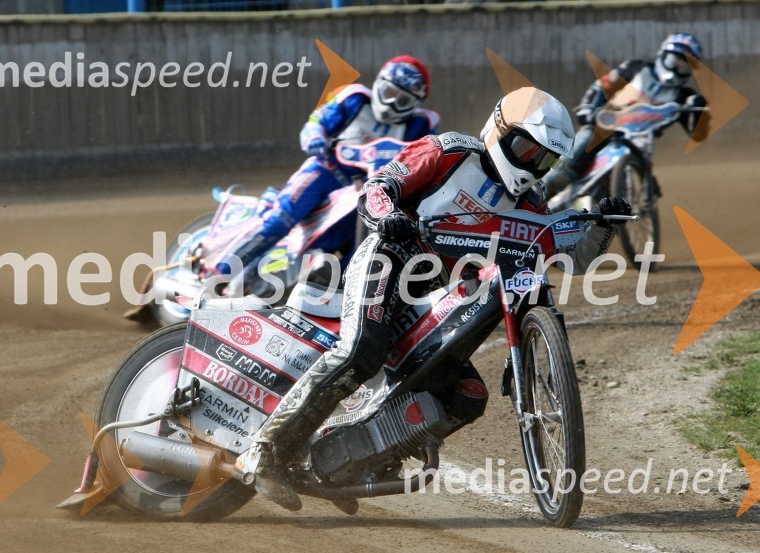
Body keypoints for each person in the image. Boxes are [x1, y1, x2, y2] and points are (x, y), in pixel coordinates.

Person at [236, 87, 632, 512]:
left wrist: (600, 227)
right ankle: (264, 450)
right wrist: (390, 218)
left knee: (467, 395)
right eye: (526, 150)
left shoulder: (532, 203)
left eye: (545, 160)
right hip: (390, 258)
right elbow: (377, 187)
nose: (533, 166)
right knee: (360, 352)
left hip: (437, 294)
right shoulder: (449, 151)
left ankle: (364, 462)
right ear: (500, 130)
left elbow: (570, 260)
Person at [211, 55, 440, 280]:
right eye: (390, 93)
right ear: (379, 84)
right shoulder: (354, 98)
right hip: (327, 171)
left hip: (370, 191)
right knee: (280, 220)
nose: (392, 104)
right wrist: (315, 138)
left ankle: (342, 292)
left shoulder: (422, 125)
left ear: (416, 103)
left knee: (373, 243)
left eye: (402, 100)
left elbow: (431, 157)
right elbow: (316, 122)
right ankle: (219, 272)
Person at [544, 33, 708, 196]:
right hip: (603, 127)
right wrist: (588, 109)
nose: (676, 69)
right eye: (673, 61)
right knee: (563, 169)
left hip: (640, 143)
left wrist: (698, 110)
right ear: (662, 56)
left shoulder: (684, 96)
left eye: (684, 66)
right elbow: (603, 85)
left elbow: (698, 134)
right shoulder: (636, 68)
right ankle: (541, 192)